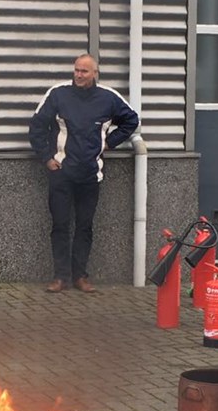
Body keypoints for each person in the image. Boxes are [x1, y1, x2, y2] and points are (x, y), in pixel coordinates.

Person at [29, 53, 139, 293]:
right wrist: (47, 158)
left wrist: (110, 142)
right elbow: (37, 126)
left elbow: (132, 120)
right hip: (61, 173)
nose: (79, 75)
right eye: (76, 70)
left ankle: (80, 276)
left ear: (95, 74)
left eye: (84, 71)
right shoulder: (58, 94)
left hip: (90, 175)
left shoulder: (109, 98)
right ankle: (60, 277)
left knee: (85, 226)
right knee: (60, 225)